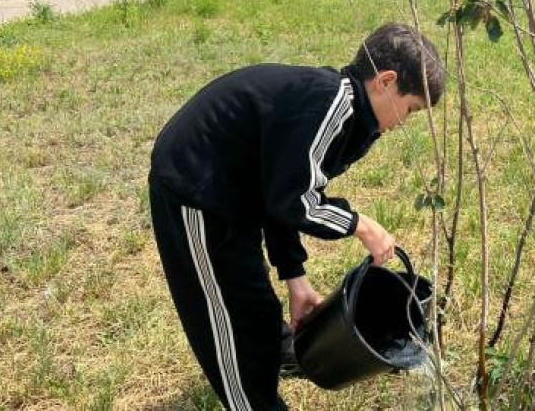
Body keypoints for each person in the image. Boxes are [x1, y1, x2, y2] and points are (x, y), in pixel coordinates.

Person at [148, 23, 444, 410]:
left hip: (238, 193)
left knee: (255, 303)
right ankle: (251, 400)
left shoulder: (350, 117)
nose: (405, 121)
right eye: (412, 109)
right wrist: (360, 224)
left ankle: (280, 351)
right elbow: (294, 201)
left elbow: (282, 191)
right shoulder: (329, 106)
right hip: (195, 188)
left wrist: (294, 277)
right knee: (229, 318)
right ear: (386, 82)